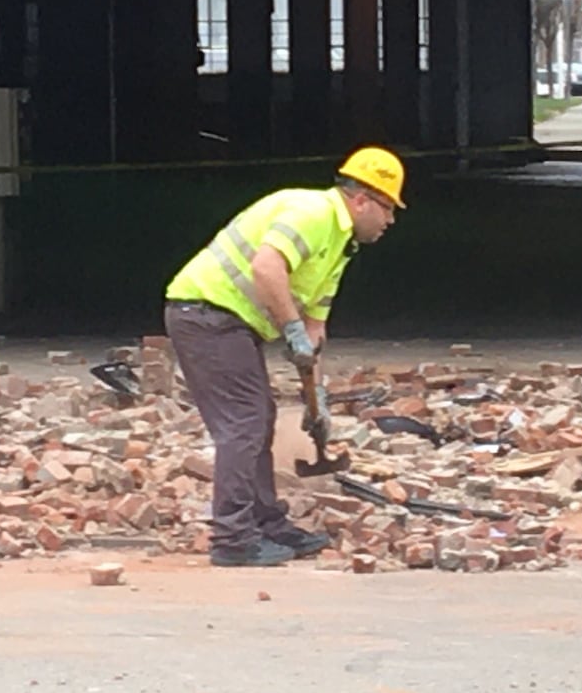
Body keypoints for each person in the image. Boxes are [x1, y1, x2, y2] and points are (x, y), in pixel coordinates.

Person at [163, 146, 405, 567]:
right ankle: (233, 538)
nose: (390, 221)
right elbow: (266, 268)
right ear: (362, 199)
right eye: (388, 208)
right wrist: (290, 330)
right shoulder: (313, 212)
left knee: (260, 417)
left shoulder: (340, 244)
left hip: (225, 320)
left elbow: (314, 331)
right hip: (204, 312)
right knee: (244, 422)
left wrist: (318, 400)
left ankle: (266, 523)